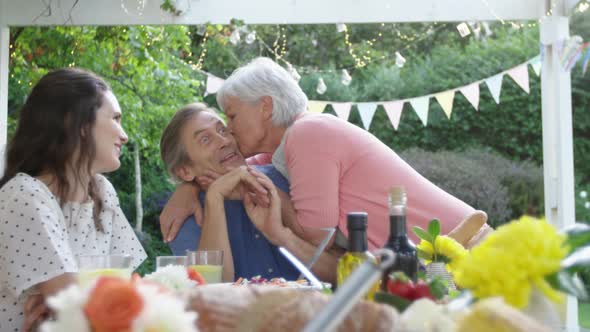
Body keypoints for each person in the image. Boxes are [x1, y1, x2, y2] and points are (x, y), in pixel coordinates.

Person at [162, 57, 491, 253]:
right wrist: (187, 187)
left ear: (265, 107)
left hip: (466, 248)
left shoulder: (309, 134)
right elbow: (234, 170)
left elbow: (317, 234)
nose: (229, 131)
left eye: (231, 117)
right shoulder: (288, 147)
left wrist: (250, 187)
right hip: (434, 258)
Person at [0, 68, 147, 332]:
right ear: (76, 123)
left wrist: (83, 303)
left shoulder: (102, 191)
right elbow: (81, 313)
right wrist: (83, 302)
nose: (124, 135)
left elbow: (124, 294)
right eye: (115, 118)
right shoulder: (24, 195)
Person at [159, 103, 338, 282]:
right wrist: (215, 198)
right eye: (205, 139)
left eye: (222, 130)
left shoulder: (287, 177)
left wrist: (282, 236)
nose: (225, 141)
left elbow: (340, 275)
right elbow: (211, 289)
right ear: (185, 171)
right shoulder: (183, 219)